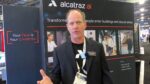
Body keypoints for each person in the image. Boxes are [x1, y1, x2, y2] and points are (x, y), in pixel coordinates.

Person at [37, 9, 113, 84]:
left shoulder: (97, 47)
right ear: (67, 27)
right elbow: (56, 76)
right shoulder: (59, 51)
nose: (75, 26)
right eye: (71, 23)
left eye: (78, 22)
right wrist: (50, 81)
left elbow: (106, 75)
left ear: (85, 24)